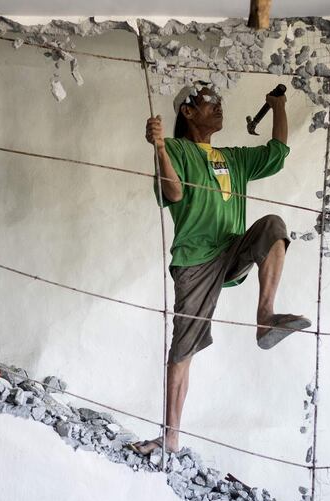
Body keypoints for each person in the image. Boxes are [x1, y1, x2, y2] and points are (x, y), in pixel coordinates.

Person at [129, 82, 311, 455]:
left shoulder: (234, 159)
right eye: (209, 101)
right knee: (183, 348)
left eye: (219, 101)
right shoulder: (177, 149)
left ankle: (265, 317)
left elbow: (278, 153)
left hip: (231, 249)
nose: (218, 106)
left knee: (273, 227)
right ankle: (171, 437)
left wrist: (277, 106)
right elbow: (174, 193)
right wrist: (160, 149)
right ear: (188, 112)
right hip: (195, 259)